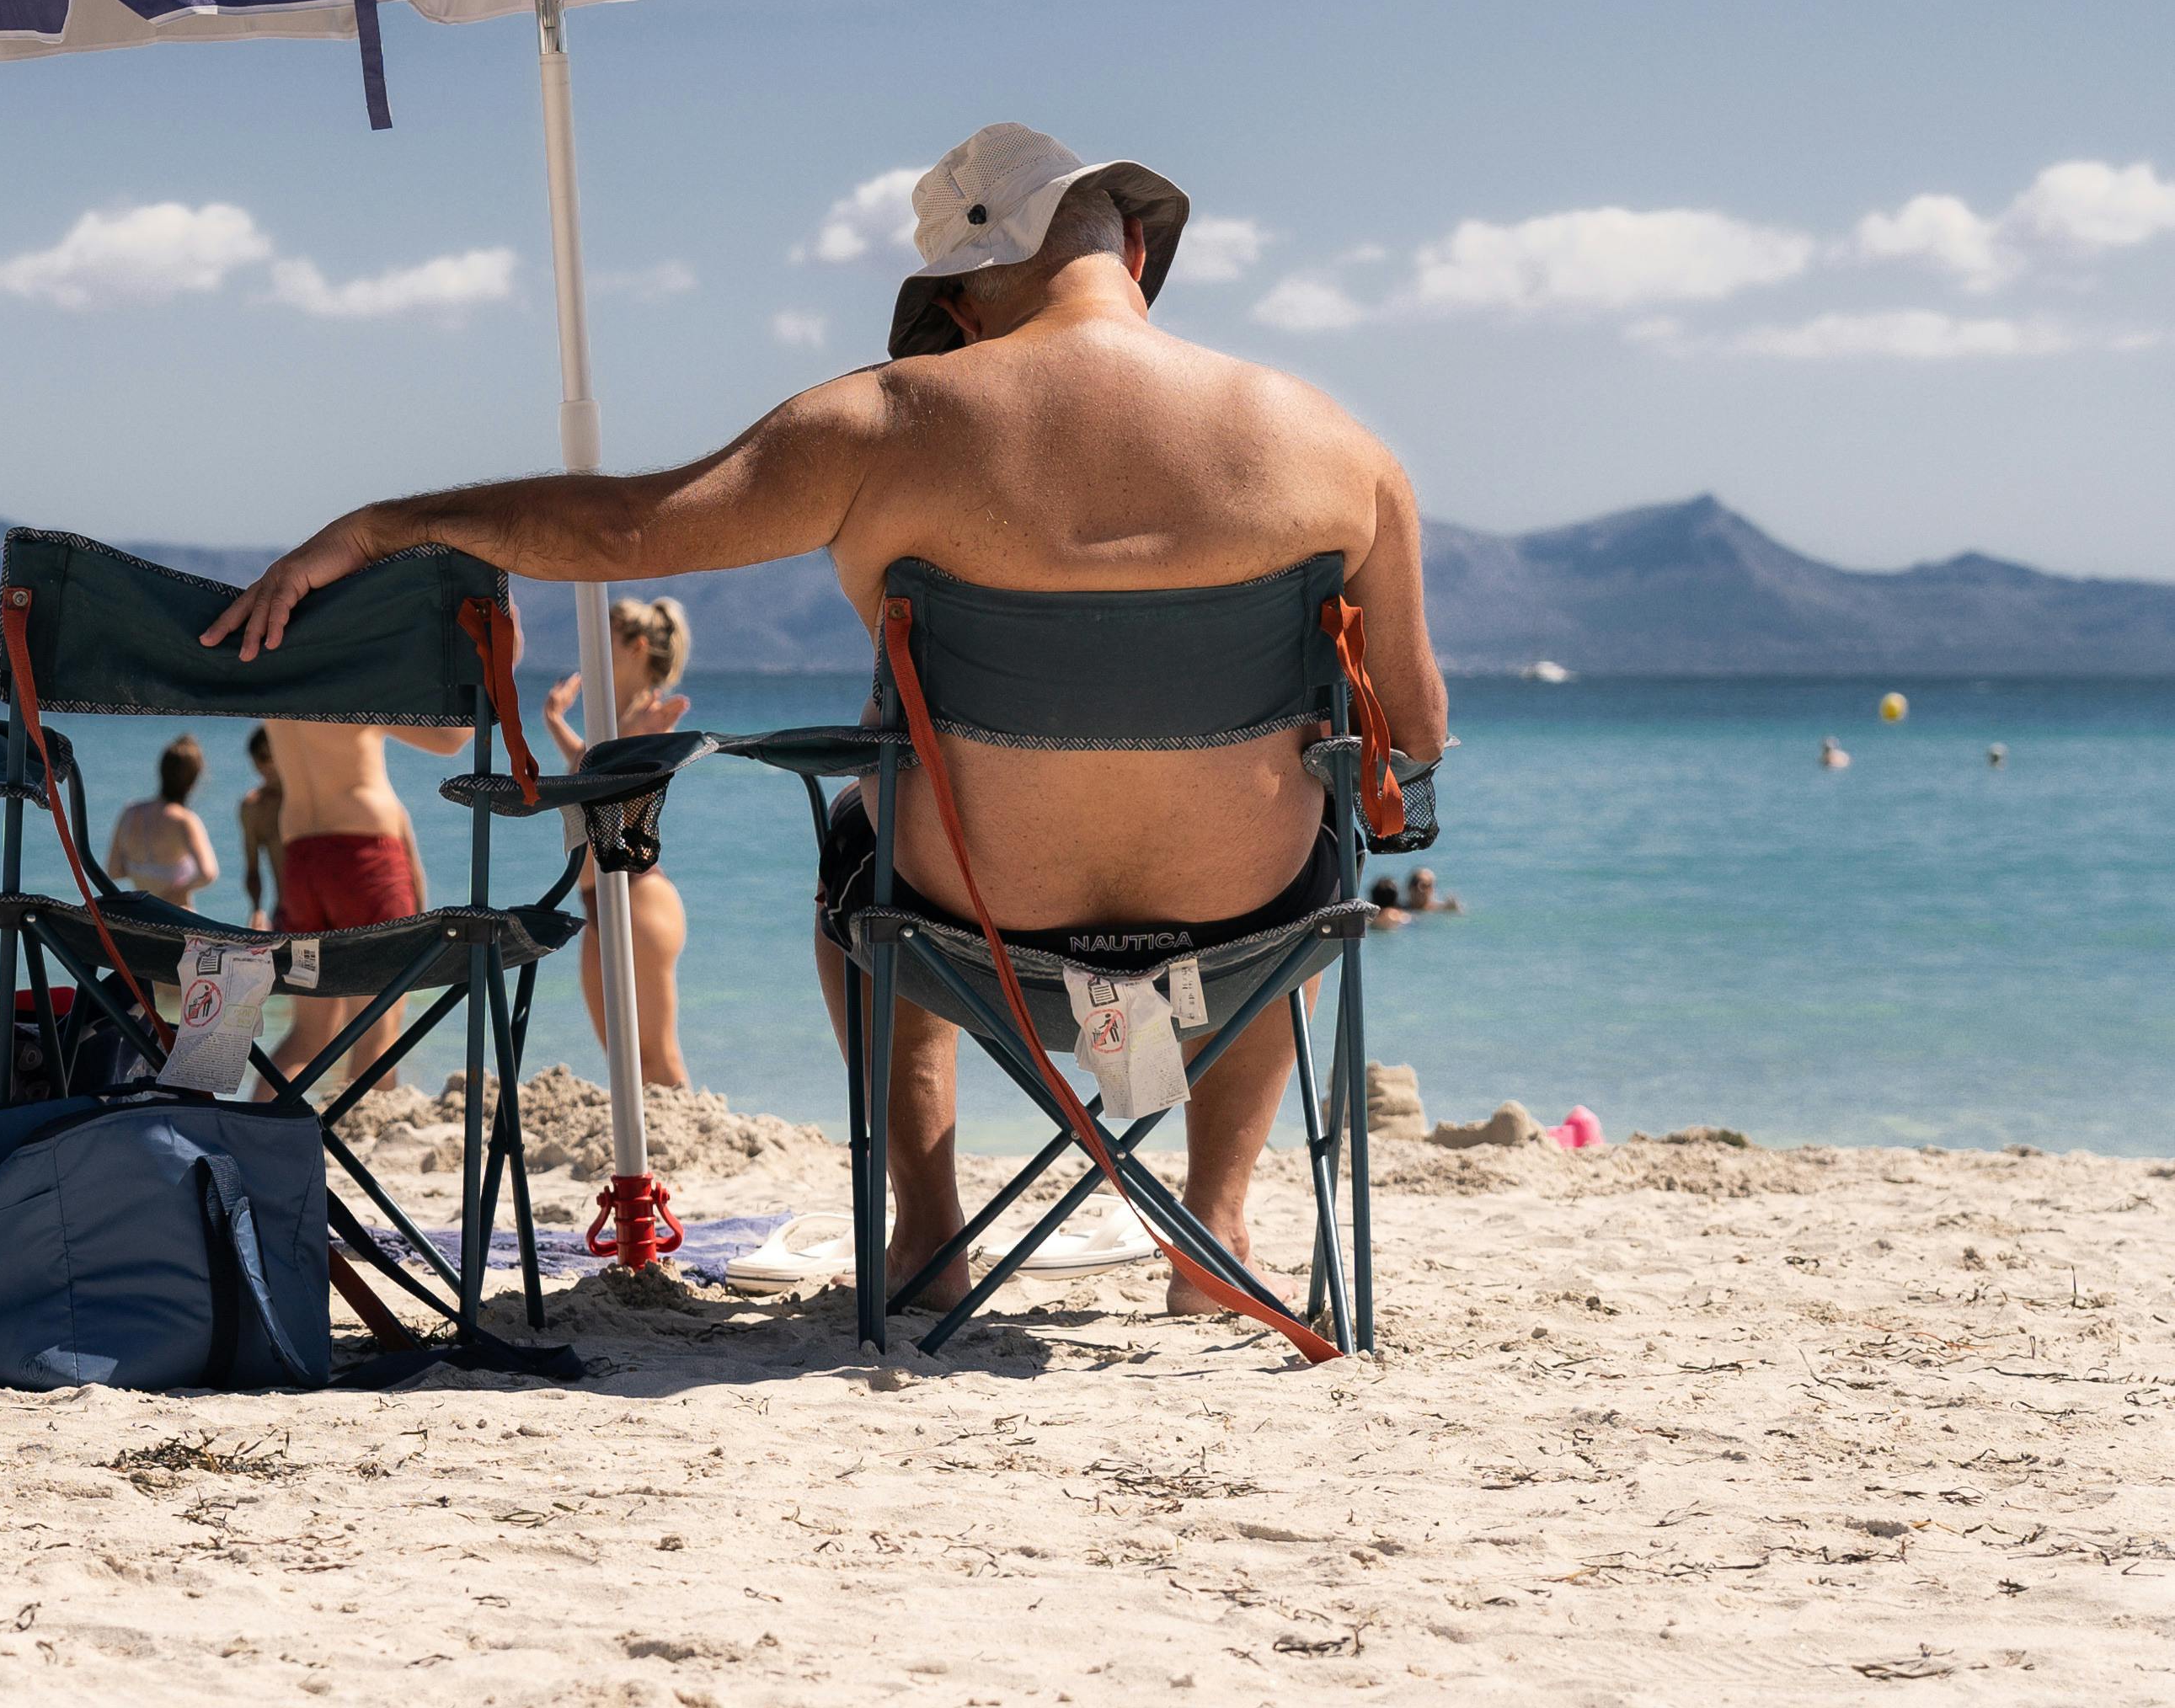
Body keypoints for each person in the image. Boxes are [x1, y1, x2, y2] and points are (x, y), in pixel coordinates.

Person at [207, 123, 1449, 1316]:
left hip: (974, 916)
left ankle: (925, 1231)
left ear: (960, 299)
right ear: (1129, 251)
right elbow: (1411, 736)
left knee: (862, 835)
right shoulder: (1339, 446)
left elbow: (625, 527)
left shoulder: (885, 420)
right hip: (1242, 921)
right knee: (1321, 832)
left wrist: (383, 524)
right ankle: (1214, 1224)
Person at [256, 711, 461, 1082]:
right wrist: (502, 668)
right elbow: (450, 737)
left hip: (301, 858)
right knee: (376, 1033)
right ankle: (365, 1138)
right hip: (363, 857)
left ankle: (257, 1133)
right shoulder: (352, 672)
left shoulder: (279, 671)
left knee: (308, 1036)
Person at [543, 593, 696, 1092]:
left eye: (601, 638)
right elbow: (591, 769)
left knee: (657, 1062)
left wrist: (612, 734)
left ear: (635, 647)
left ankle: (686, 1152)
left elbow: (614, 764)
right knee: (626, 1068)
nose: (588, 650)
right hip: (597, 904)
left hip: (636, 897)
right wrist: (557, 726)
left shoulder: (652, 716)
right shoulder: (610, 726)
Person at [105, 737, 218, 905]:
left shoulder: (130, 812)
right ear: (194, 780)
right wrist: (177, 891)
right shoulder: (185, 821)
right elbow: (208, 874)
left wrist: (144, 874)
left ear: (162, 771)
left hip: (144, 915)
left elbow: (114, 871)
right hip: (177, 918)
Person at [237, 727, 288, 924]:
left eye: (268, 757)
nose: (265, 766)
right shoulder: (254, 807)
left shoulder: (309, 797)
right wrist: (256, 910)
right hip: (285, 912)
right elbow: (252, 868)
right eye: (259, 760)